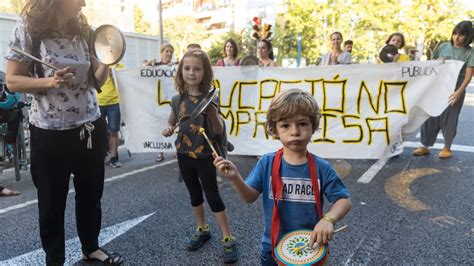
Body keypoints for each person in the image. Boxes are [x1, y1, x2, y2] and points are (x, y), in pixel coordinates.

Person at [4, 0, 123, 264]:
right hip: (49, 131)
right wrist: (50, 80)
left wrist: (108, 60)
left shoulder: (85, 29)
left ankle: (90, 246)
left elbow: (96, 81)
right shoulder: (28, 28)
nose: (84, 2)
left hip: (90, 125)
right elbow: (12, 81)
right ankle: (54, 258)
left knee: (91, 195)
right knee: (51, 202)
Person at [213, 89, 352, 265]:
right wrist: (235, 178)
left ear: (313, 126)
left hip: (310, 250)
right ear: (275, 129)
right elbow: (249, 197)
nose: (294, 132)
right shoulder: (267, 163)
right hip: (272, 250)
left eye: (302, 123)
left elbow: (344, 201)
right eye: (285, 125)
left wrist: (329, 219)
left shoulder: (321, 168)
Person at [162, 49, 238, 264]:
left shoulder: (210, 98)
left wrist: (213, 113)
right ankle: (202, 229)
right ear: (181, 71)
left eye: (197, 68)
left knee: (212, 196)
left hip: (205, 155)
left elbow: (216, 130)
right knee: (194, 194)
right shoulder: (178, 100)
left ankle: (227, 237)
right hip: (184, 154)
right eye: (187, 68)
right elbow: (172, 121)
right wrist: (168, 128)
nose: (191, 73)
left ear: (205, 72)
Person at [413, 21, 474, 159]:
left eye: (461, 35)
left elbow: (469, 75)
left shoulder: (470, 53)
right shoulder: (443, 46)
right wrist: (438, 61)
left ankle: (447, 148)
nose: (456, 37)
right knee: (430, 115)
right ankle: (425, 146)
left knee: (450, 118)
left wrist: (459, 92)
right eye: (455, 33)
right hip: (437, 87)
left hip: (454, 90)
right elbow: (432, 66)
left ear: (468, 37)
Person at [143, 43, 176, 162]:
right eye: (166, 51)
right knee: (160, 127)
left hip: (172, 103)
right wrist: (147, 65)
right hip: (158, 103)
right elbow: (142, 73)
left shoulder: (176, 66)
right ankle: (160, 151)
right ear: (161, 53)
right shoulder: (155, 66)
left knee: (174, 125)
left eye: (171, 52)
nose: (169, 54)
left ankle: (175, 148)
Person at [98, 63, 124, 168]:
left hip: (114, 102)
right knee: (98, 132)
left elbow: (123, 83)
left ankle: (114, 158)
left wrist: (115, 76)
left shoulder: (119, 66)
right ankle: (101, 155)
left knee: (114, 130)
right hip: (98, 102)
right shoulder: (97, 64)